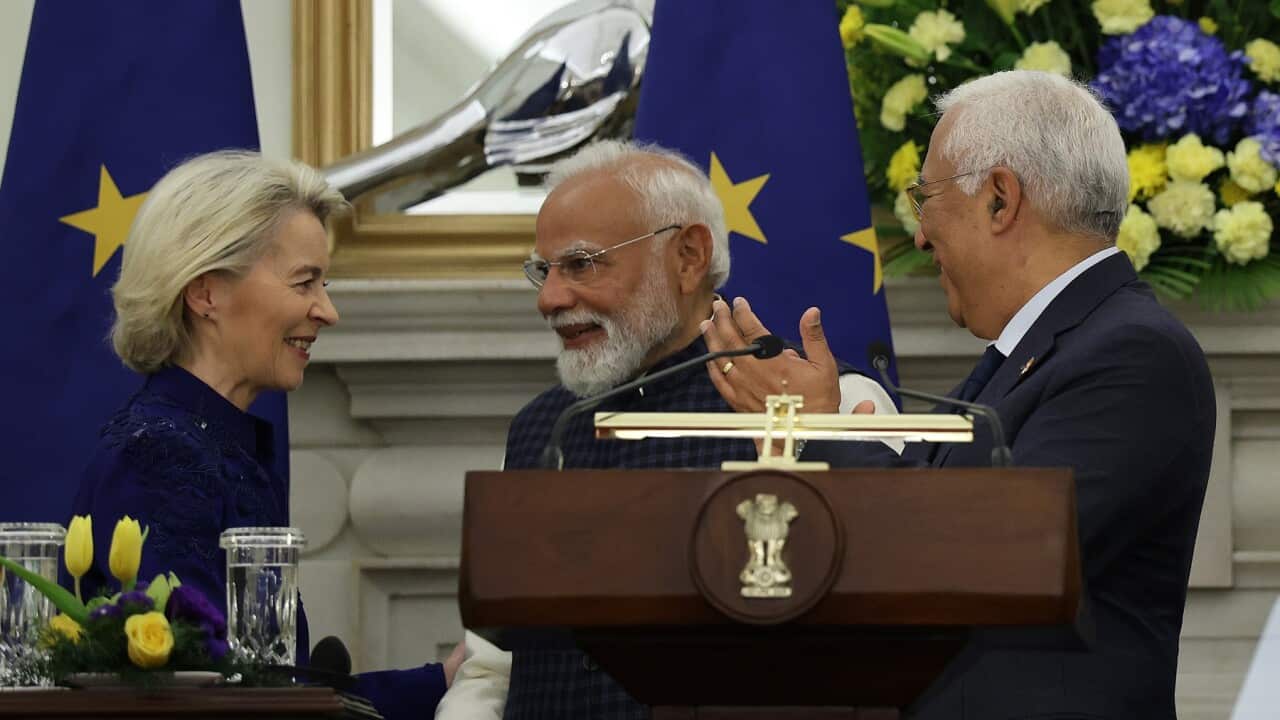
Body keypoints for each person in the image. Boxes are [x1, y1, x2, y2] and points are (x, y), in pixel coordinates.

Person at [702, 70, 1215, 718]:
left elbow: (990, 549)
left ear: (1000, 199)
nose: (918, 234)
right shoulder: (1032, 355)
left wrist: (821, 429)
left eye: (926, 198)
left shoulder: (1134, 352)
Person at [438, 140, 896, 719]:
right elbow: (489, 670)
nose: (551, 299)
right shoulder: (539, 430)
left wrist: (809, 438)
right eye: (543, 271)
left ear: (687, 257)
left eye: (581, 264)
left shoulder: (832, 401)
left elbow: (883, 635)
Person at [64, 150, 454, 719]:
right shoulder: (157, 459)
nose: (328, 311)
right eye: (305, 282)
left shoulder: (217, 448)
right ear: (206, 294)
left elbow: (268, 692)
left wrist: (442, 680)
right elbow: (212, 704)